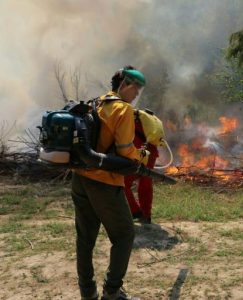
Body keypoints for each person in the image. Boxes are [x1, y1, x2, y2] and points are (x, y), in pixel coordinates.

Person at [71, 66, 147, 300]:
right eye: (136, 88)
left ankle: (88, 292)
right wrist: (141, 155)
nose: (136, 94)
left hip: (80, 178)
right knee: (124, 235)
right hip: (104, 182)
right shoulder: (123, 110)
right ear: (124, 84)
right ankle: (112, 292)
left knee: (85, 238)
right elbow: (125, 151)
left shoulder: (98, 101)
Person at [124, 116, 159, 224]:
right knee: (146, 184)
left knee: (123, 182)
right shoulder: (144, 121)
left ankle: (135, 211)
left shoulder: (124, 117)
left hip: (137, 153)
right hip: (151, 152)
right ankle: (146, 215)